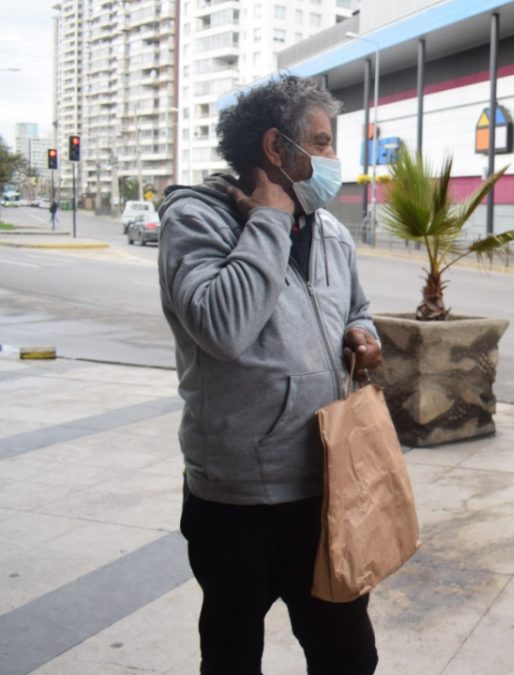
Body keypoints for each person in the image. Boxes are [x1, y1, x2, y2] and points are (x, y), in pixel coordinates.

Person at [157, 74, 383, 674]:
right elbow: (222, 325)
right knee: (232, 656)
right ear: (277, 147)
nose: (335, 159)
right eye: (323, 141)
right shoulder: (197, 219)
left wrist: (364, 335)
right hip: (238, 498)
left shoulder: (331, 231)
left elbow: (356, 308)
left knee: (348, 654)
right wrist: (272, 219)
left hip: (324, 481)